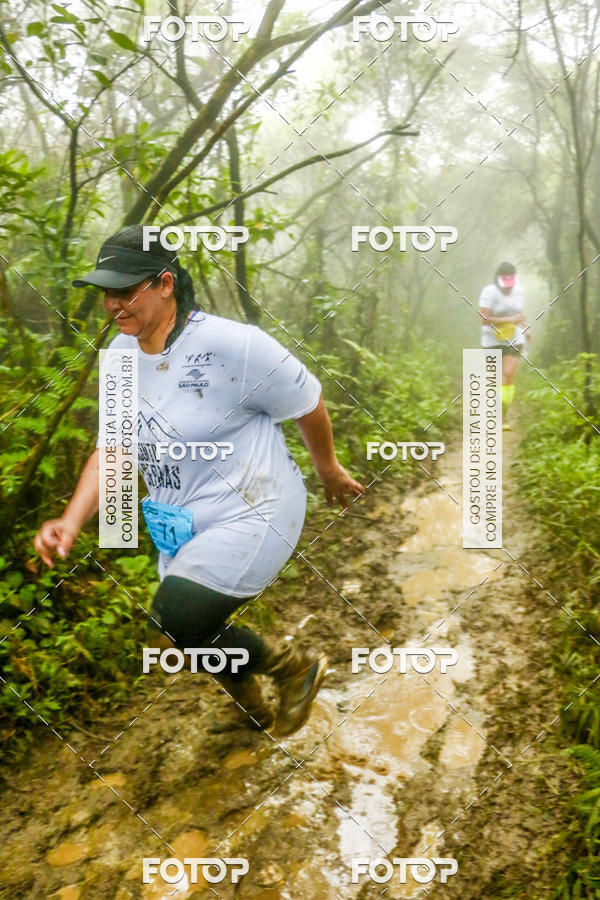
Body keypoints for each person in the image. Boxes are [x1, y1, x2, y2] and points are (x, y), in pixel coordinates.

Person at [33, 225, 365, 737]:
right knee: (183, 626)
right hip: (184, 519)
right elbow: (114, 449)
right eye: (107, 293)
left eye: (126, 290)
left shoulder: (235, 346)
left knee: (179, 616)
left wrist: (329, 470)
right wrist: (71, 520)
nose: (114, 304)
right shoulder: (120, 360)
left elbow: (308, 401)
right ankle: (251, 703)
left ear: (165, 283)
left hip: (257, 506)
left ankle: (292, 667)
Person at [478, 261, 531, 429]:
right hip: (492, 339)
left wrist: (525, 327)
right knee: (496, 378)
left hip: (514, 338)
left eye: (510, 284)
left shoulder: (519, 291)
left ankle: (503, 417)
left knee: (508, 376)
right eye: (504, 285)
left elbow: (519, 312)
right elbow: (484, 319)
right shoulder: (489, 292)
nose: (508, 288)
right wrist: (509, 320)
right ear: (498, 279)